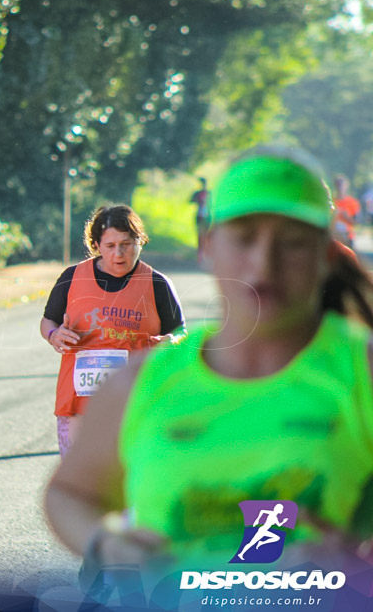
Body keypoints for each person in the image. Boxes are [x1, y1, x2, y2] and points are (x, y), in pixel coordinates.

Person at [44, 146, 373, 594]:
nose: (264, 263)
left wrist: (357, 565)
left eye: (293, 241)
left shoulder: (362, 372)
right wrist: (107, 543)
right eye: (244, 237)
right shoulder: (145, 382)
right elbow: (71, 494)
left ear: (328, 255)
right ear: (208, 247)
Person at [39, 204, 186, 458]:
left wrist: (171, 341)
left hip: (137, 401)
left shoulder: (156, 283)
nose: (119, 253)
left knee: (128, 483)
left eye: (127, 244)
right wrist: (54, 335)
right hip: (78, 403)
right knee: (81, 480)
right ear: (96, 245)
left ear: (140, 241)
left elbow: (180, 330)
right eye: (110, 246)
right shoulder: (72, 277)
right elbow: (48, 321)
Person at [333, 173, 361, 249]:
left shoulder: (353, 202)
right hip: (333, 238)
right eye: (338, 185)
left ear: (346, 186)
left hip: (348, 237)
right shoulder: (331, 201)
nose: (340, 187)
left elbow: (356, 222)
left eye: (342, 185)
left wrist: (347, 217)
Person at [189, 177, 210, 261]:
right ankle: (201, 253)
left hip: (208, 216)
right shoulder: (198, 193)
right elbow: (191, 200)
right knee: (200, 234)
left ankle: (206, 253)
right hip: (200, 216)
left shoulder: (209, 193)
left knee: (207, 235)